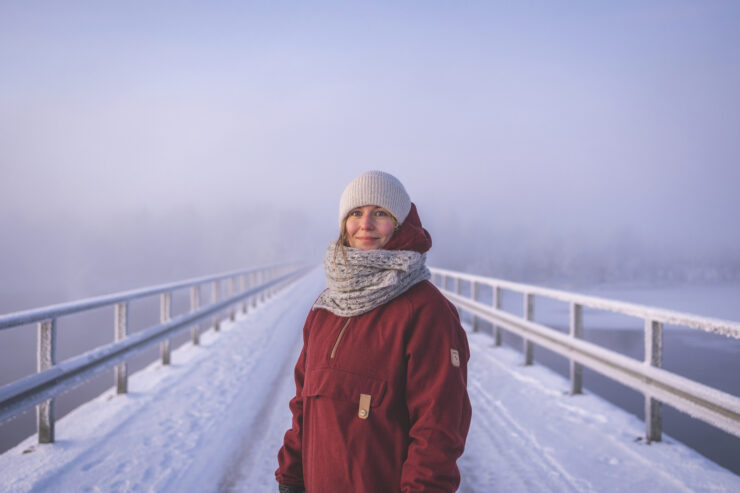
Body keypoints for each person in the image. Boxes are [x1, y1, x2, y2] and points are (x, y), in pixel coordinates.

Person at [275, 171, 472, 493]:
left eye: (380, 213)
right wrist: (291, 476)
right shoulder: (326, 308)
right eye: (355, 213)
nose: (365, 224)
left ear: (400, 224)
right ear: (343, 225)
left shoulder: (426, 311)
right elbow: (303, 405)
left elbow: (437, 429)